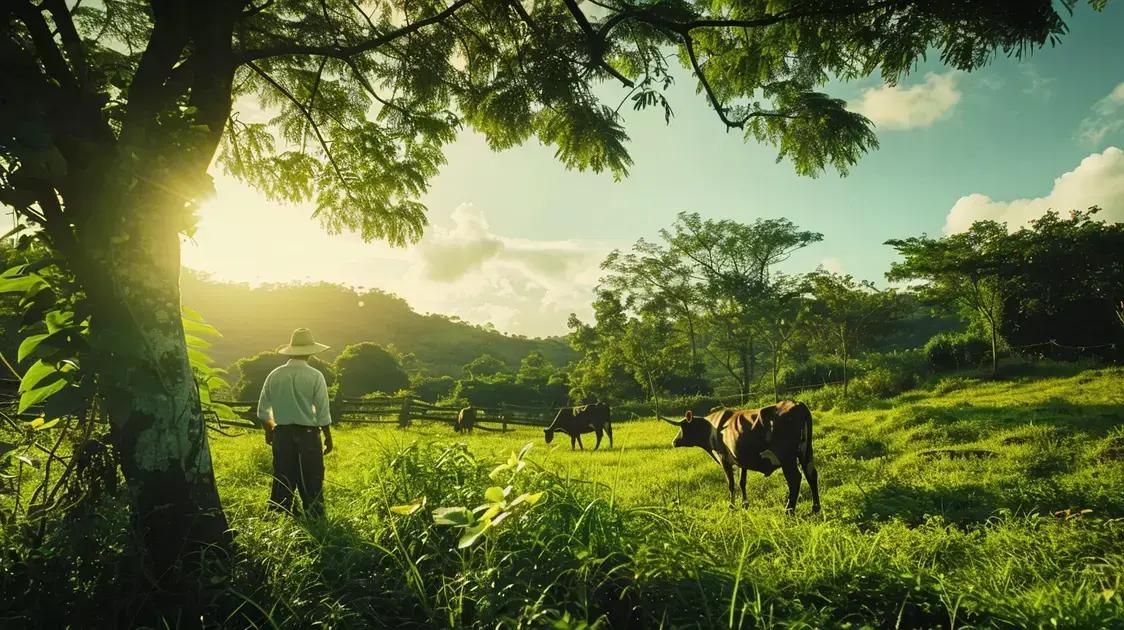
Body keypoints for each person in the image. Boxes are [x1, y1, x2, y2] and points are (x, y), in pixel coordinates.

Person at [257, 327, 334, 517]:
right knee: (312, 476)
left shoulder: (275, 375)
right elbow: (322, 410)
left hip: (282, 434)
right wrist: (328, 436)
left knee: (283, 475)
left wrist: (269, 432)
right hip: (309, 435)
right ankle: (314, 515)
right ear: (310, 352)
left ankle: (279, 515)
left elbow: (263, 409)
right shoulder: (316, 376)